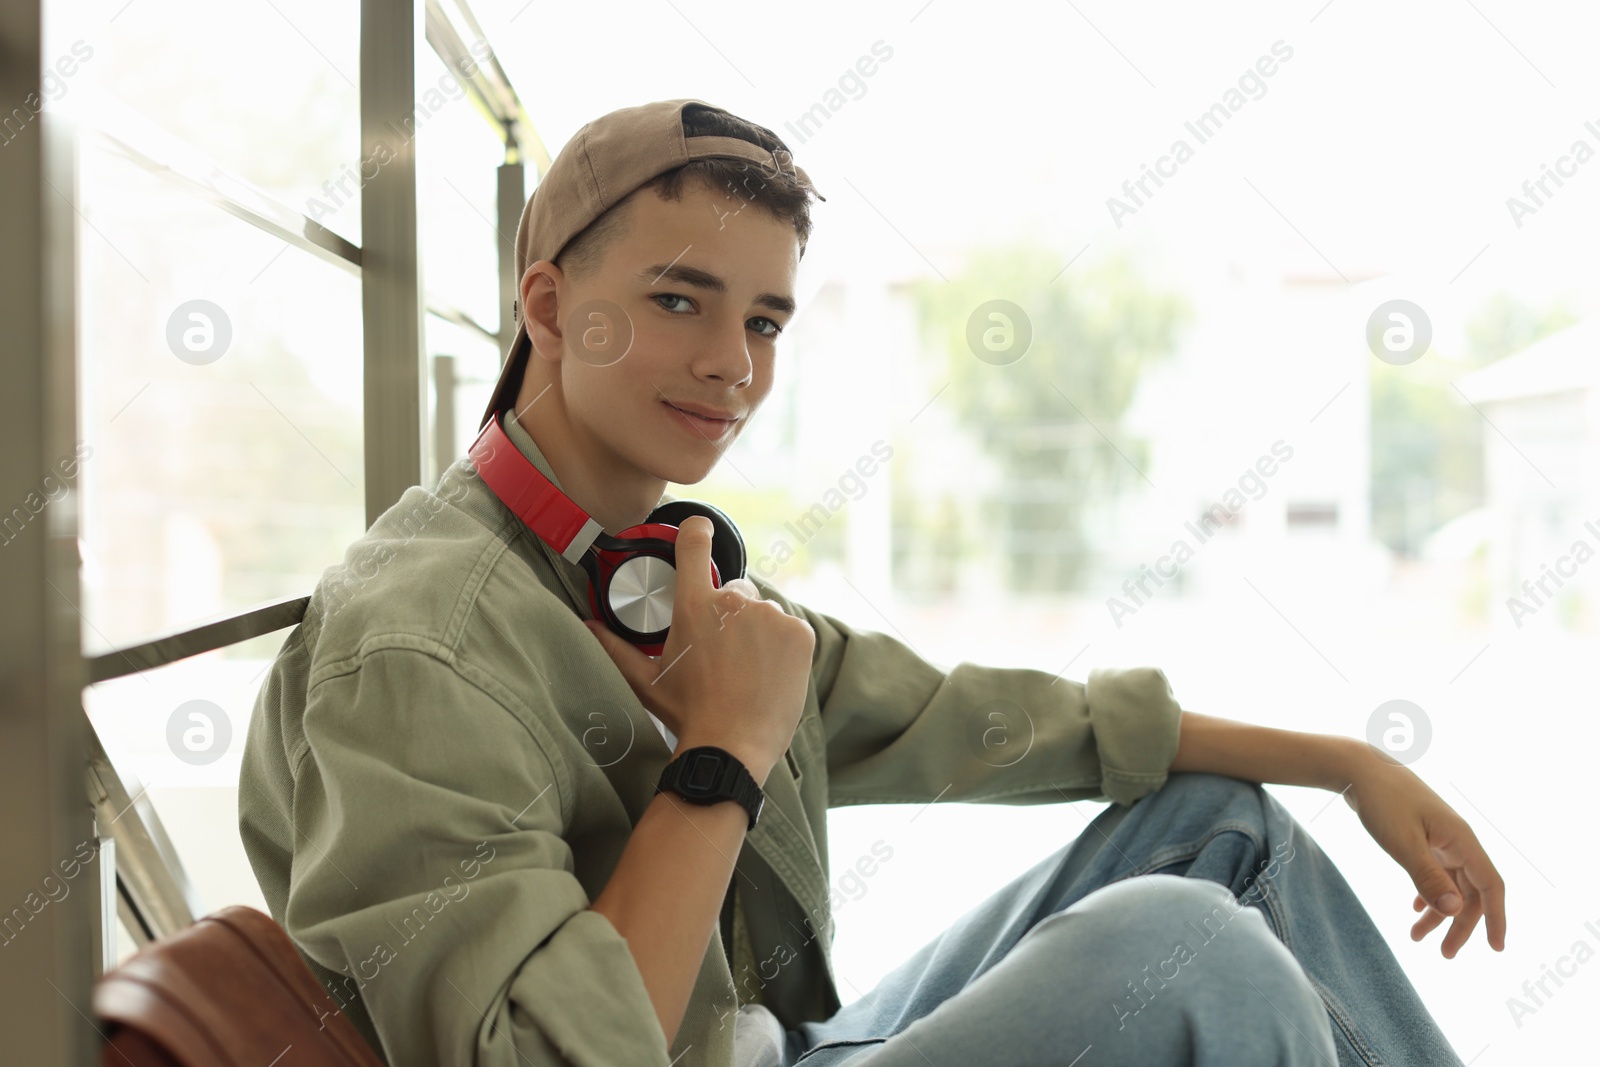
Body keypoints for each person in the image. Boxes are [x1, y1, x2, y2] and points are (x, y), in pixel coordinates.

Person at [238, 98, 1506, 1067]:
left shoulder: (638, 568)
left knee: (1229, 822)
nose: (731, 362)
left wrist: (1344, 759)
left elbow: (955, 714)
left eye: (766, 320)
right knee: (1193, 950)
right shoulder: (421, 642)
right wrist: (722, 752)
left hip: (768, 1046)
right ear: (554, 306)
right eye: (680, 299)